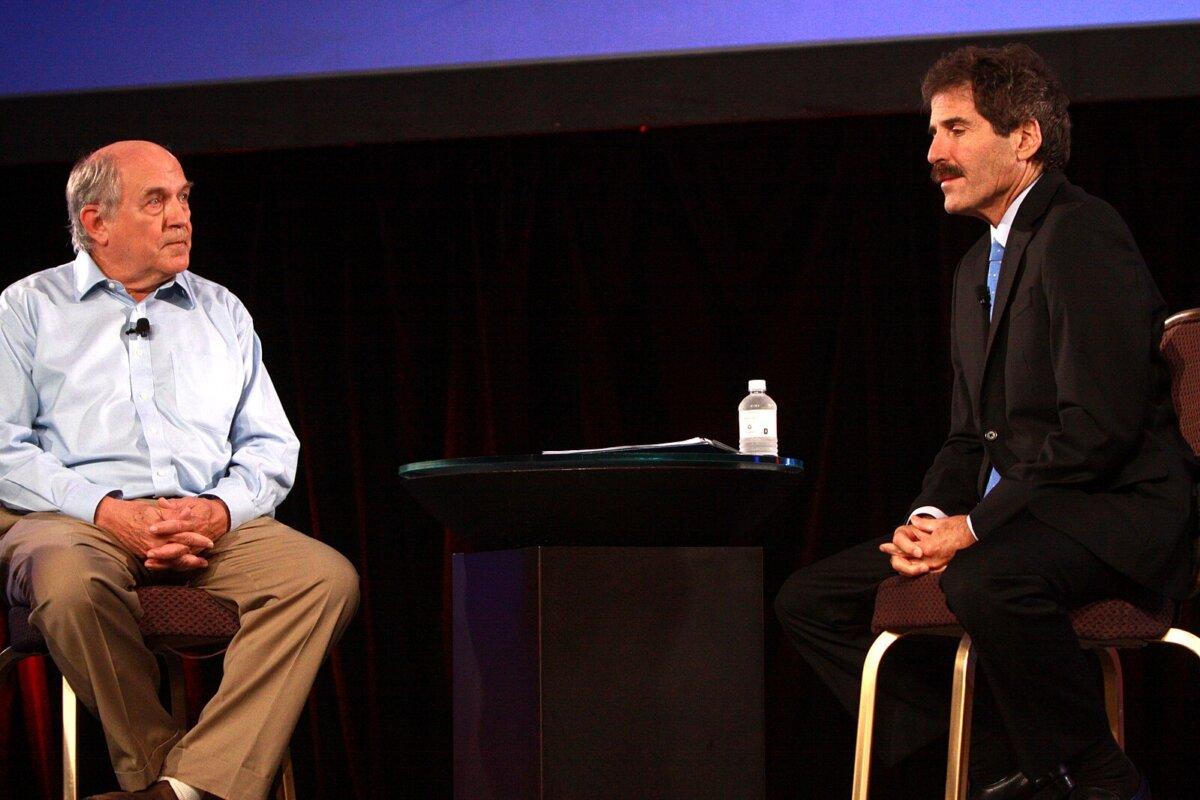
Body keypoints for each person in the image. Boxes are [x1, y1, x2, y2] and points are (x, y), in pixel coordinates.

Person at [775, 44, 1194, 800]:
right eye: (932, 132)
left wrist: (974, 528)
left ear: (1024, 137)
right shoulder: (977, 268)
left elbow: (1098, 429)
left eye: (956, 130)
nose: (934, 153)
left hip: (1110, 510)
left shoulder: (1080, 234)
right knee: (811, 599)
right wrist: (929, 517)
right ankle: (995, 754)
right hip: (1021, 513)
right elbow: (970, 436)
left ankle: (1097, 776)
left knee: (986, 578)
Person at [0, 140, 360, 800]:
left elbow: (270, 446)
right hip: (71, 520)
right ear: (96, 222)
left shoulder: (222, 312)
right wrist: (108, 510)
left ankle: (183, 789)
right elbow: (5, 449)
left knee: (322, 579)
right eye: (156, 200)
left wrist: (219, 509)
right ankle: (173, 778)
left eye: (185, 197)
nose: (181, 216)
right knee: (68, 582)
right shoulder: (26, 309)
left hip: (205, 524)